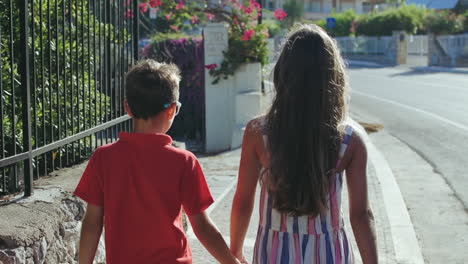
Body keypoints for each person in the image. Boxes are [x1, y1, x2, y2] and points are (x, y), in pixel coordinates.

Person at [230, 24, 378, 264]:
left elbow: (243, 201)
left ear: (282, 74)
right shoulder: (350, 140)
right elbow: (361, 215)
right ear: (334, 76)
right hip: (330, 253)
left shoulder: (259, 133)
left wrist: (235, 251)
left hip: (273, 254)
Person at [74, 60, 239, 264]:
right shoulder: (184, 161)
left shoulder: (103, 158)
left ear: (128, 108)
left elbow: (92, 223)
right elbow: (202, 227)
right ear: (171, 110)